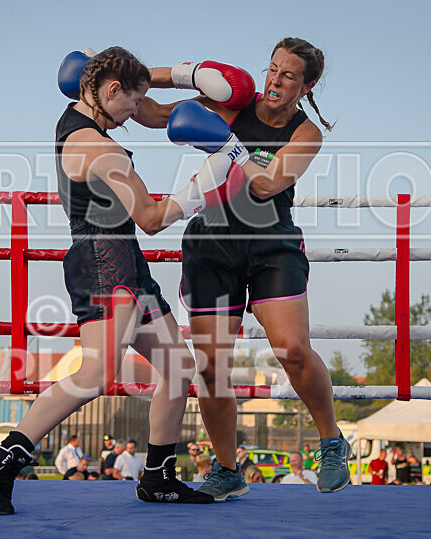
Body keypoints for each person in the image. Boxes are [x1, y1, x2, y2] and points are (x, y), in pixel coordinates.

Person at [0, 46, 245, 514]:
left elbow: (134, 92)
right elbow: (154, 218)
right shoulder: (100, 148)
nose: (135, 114)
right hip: (103, 261)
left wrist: (184, 77)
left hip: (123, 261)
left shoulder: (78, 112)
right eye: (132, 104)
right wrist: (209, 180)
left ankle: (157, 475)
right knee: (96, 373)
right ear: (111, 91)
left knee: (179, 369)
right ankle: (0, 460)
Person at [137, 37, 348, 500]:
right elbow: (153, 115)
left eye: (288, 75)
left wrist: (229, 146)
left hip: (271, 244)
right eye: (272, 69)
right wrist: (130, 74)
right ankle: (228, 469)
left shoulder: (305, 133)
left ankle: (331, 440)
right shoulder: (233, 102)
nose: (275, 80)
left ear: (306, 84)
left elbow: (268, 185)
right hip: (212, 246)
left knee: (292, 349)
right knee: (212, 368)